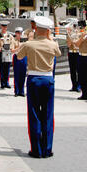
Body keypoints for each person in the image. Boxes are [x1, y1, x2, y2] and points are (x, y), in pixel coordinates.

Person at [17, 16, 61, 159]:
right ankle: (47, 149)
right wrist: (50, 39)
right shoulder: (52, 44)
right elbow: (58, 54)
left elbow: (18, 57)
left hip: (33, 79)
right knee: (48, 114)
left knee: (34, 114)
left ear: (36, 29)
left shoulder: (29, 44)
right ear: (48, 31)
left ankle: (36, 150)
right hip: (48, 79)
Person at [0, 21, 15, 89]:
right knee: (2, 69)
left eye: (5, 27)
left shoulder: (10, 35)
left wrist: (11, 48)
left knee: (7, 68)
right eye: (3, 26)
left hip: (8, 53)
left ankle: (7, 83)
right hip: (1, 53)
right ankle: (2, 83)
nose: (4, 28)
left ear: (7, 27)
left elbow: (13, 44)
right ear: (1, 27)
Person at [12, 27, 27, 97]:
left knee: (23, 74)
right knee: (17, 74)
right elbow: (12, 50)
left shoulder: (24, 40)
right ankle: (16, 91)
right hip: (17, 57)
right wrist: (19, 47)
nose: (19, 34)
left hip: (24, 57)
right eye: (18, 33)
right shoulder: (13, 40)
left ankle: (22, 91)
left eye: (20, 33)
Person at [66, 23, 81, 92]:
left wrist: (76, 36)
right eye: (73, 27)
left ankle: (79, 86)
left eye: (76, 27)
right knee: (72, 70)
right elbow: (69, 45)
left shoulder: (80, 34)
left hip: (78, 52)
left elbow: (79, 43)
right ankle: (74, 86)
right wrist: (69, 35)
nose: (74, 29)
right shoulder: (69, 35)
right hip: (71, 52)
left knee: (79, 70)